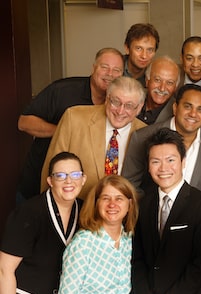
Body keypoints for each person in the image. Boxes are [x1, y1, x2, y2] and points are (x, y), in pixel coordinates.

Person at [17, 47, 124, 202]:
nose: (110, 74)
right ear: (93, 68)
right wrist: (66, 131)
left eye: (116, 70)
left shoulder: (119, 104)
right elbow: (24, 122)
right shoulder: (62, 91)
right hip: (39, 183)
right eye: (104, 67)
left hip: (83, 192)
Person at [131, 128, 201, 294]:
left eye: (170, 160)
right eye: (155, 161)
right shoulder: (144, 204)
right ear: (148, 166)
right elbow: (138, 258)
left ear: (183, 161)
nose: (163, 168)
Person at [41, 76, 147, 200]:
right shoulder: (74, 117)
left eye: (129, 105)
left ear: (139, 107)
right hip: (75, 208)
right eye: (116, 102)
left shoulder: (145, 134)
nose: (120, 111)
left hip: (121, 214)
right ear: (107, 99)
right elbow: (51, 168)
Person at [0, 152, 86, 294]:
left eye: (75, 175)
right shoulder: (28, 212)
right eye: (60, 175)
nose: (69, 181)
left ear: (83, 179)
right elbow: (4, 269)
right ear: (50, 181)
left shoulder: (85, 210)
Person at [122, 84, 201, 195]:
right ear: (175, 108)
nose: (193, 114)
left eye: (200, 109)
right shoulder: (142, 138)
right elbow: (129, 187)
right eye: (187, 106)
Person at [57, 175, 138, 294]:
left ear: (130, 204)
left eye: (119, 199)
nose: (112, 204)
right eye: (106, 198)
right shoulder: (83, 244)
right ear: (96, 203)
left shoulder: (129, 239)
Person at [137, 56, 180, 125]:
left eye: (169, 83)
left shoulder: (176, 116)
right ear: (147, 81)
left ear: (175, 87)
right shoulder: (133, 98)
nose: (162, 88)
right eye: (157, 80)